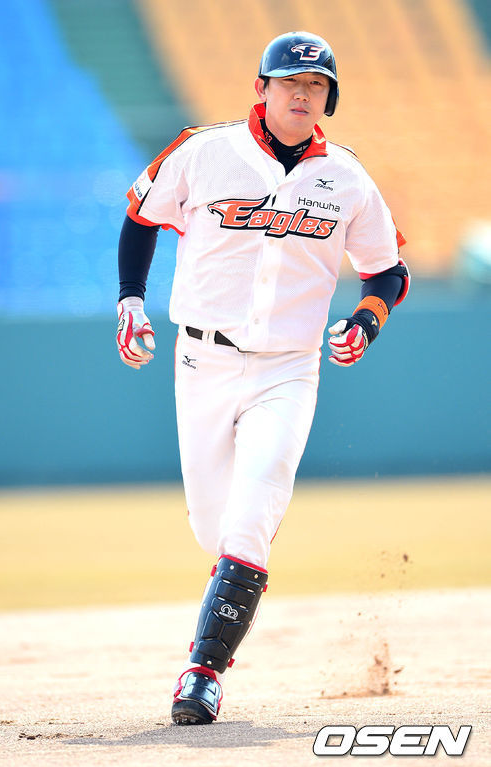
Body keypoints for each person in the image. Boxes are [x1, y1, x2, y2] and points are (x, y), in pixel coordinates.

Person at [116, 31, 410, 725]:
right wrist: (130, 300)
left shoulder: (347, 177)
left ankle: (202, 673)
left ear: (327, 99)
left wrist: (366, 319)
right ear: (262, 89)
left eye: (316, 86)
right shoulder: (204, 150)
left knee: (251, 516)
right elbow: (139, 217)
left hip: (288, 368)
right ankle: (230, 577)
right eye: (290, 82)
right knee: (213, 528)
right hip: (203, 360)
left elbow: (387, 271)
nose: (303, 94)